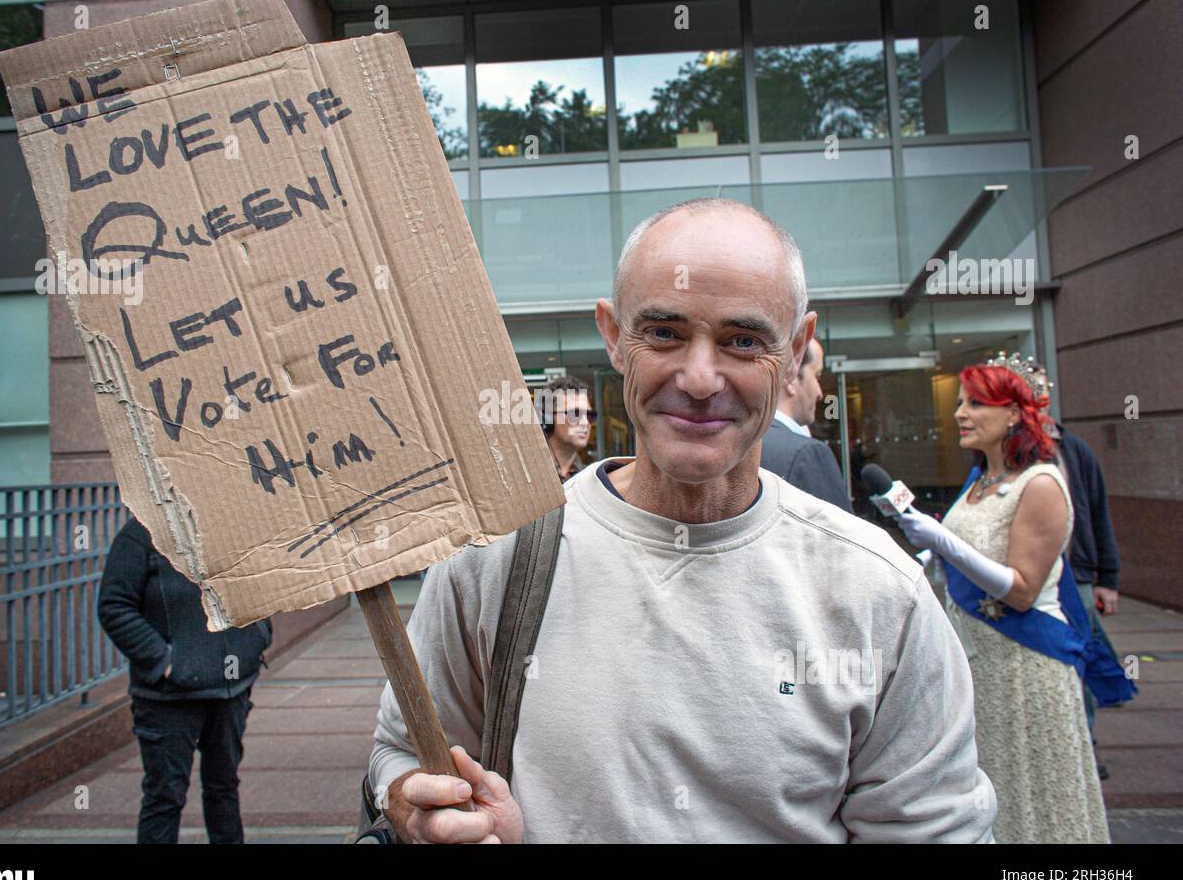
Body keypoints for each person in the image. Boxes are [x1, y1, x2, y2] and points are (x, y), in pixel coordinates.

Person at [368, 198, 995, 843]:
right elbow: (404, 753)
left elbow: (934, 829)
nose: (699, 378)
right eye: (664, 333)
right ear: (613, 336)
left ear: (797, 348)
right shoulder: (493, 557)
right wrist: (422, 809)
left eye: (743, 341)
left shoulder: (879, 591)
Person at [895, 354, 1132, 844]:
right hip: (980, 661)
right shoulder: (982, 480)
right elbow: (963, 561)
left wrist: (943, 541)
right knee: (991, 788)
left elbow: (1022, 591)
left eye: (976, 403)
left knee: (1032, 794)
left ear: (1014, 414)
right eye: (961, 402)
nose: (960, 413)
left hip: (1025, 664)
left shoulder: (1040, 483)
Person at [98, 516, 273, 844]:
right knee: (165, 797)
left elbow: (260, 584)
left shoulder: (229, 524)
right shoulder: (140, 534)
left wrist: (256, 638)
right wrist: (165, 662)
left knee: (224, 788)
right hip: (167, 700)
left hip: (230, 690)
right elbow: (114, 606)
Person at [1053, 420, 1123, 775]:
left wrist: (1106, 578)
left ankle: (1086, 745)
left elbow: (1097, 512)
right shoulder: (1001, 456)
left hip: (1075, 575)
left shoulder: (1073, 450)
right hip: (1026, 581)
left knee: (1081, 661)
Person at [760, 337, 851, 512]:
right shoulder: (807, 454)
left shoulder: (737, 445)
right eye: (817, 376)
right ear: (791, 375)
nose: (820, 393)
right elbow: (841, 536)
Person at [540, 375, 595, 481]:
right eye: (575, 414)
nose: (585, 423)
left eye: (590, 415)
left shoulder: (590, 479)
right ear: (547, 417)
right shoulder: (527, 474)